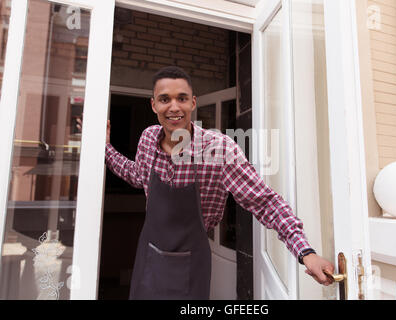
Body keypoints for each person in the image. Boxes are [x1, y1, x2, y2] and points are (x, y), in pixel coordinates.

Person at [101, 66, 335, 300]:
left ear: (193, 103)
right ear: (154, 105)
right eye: (164, 99)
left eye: (181, 98)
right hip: (148, 259)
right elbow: (136, 175)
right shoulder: (148, 138)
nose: (173, 107)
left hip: (190, 267)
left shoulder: (219, 149)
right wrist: (106, 148)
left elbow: (265, 202)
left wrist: (306, 252)